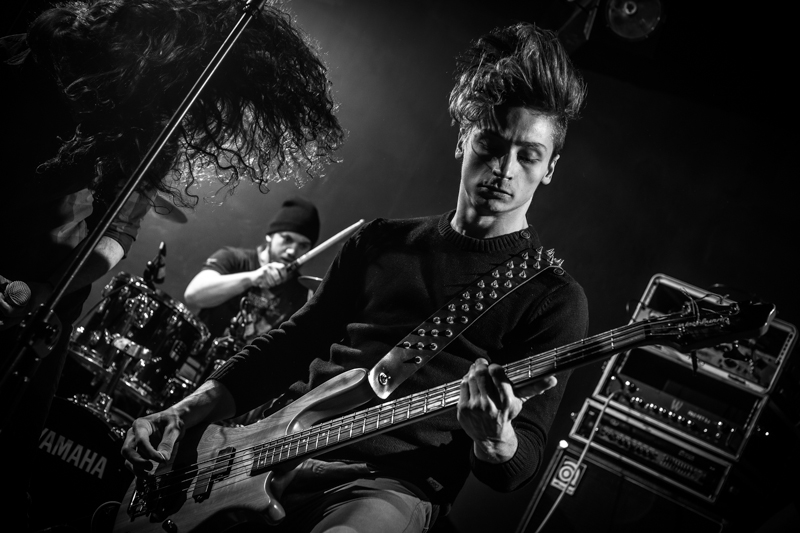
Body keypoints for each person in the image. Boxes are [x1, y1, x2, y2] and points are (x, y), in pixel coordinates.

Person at [122, 22, 589, 533]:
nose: (505, 168)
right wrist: (185, 411)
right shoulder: (381, 241)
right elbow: (292, 344)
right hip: (272, 451)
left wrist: (495, 438)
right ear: (463, 139)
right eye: (491, 143)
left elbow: (519, 465)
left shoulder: (551, 298)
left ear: (550, 168)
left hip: (384, 486)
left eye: (528, 155)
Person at [0, 1, 343, 530]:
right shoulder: (41, 69)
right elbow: (199, 292)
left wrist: (49, 288)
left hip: (45, 305)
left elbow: (117, 235)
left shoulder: (152, 131)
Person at [184, 197, 321, 343]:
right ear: (270, 236)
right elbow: (193, 296)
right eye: (287, 239)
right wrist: (252, 278)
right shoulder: (233, 258)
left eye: (303, 246)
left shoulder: (302, 293)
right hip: (199, 351)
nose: (292, 251)